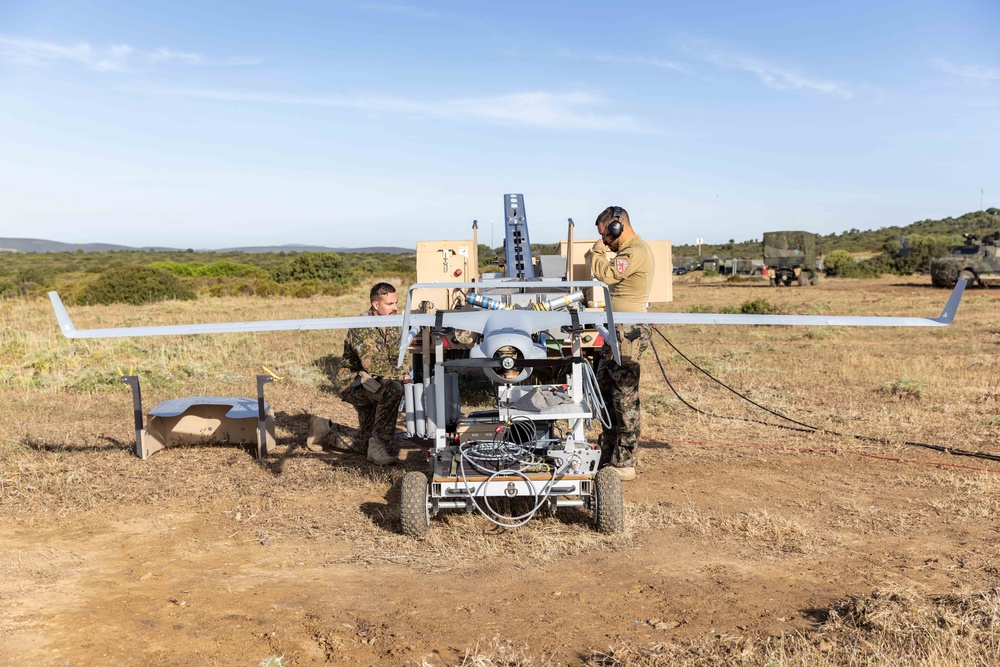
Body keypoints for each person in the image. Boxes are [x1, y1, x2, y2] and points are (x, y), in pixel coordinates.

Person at [584, 206, 654, 481]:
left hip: (629, 331)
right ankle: (608, 454)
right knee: (604, 391)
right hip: (617, 328)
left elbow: (608, 275)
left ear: (616, 227)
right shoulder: (626, 252)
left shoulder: (635, 252)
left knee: (624, 397)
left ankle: (625, 462)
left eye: (605, 235)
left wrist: (595, 252)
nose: (604, 241)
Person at [315, 282, 411, 465]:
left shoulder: (391, 323)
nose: (395, 308)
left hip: (377, 382)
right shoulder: (362, 325)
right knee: (394, 389)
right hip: (355, 383)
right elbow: (373, 365)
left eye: (396, 303)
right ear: (376, 305)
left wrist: (405, 371)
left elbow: (401, 355)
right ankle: (378, 445)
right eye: (390, 304)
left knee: (364, 441)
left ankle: (324, 430)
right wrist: (401, 376)